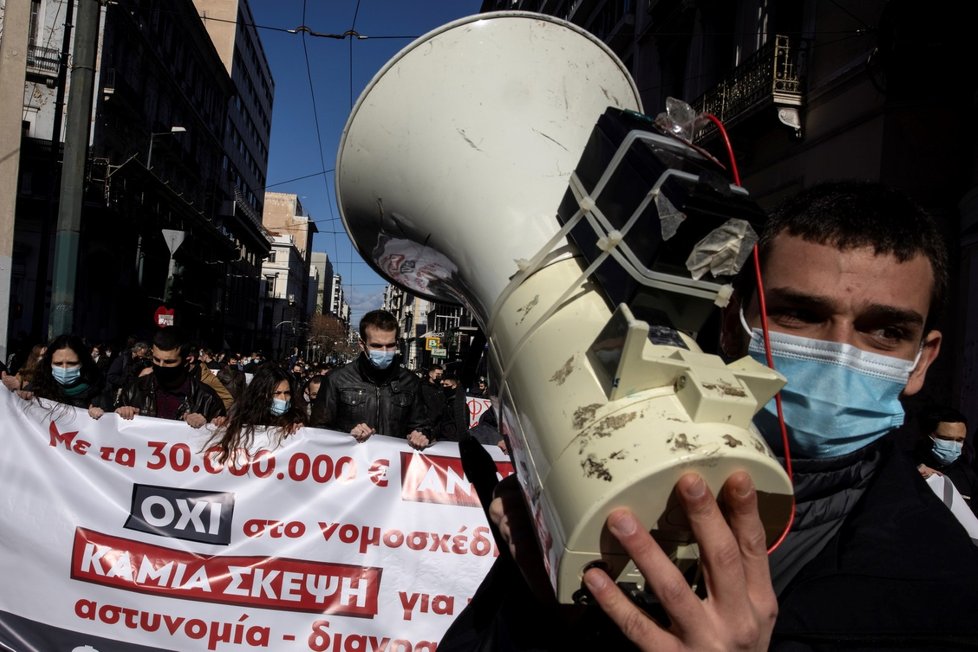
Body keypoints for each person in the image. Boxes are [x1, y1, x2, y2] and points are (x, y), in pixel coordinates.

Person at [439, 180, 978, 650]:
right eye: (799, 314)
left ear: (921, 360)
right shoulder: (603, 480)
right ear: (730, 325)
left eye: (885, 331)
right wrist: (544, 620)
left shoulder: (946, 595)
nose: (839, 353)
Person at [310, 309, 431, 449]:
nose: (384, 351)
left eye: (390, 345)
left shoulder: (410, 381)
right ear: (362, 344)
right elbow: (318, 429)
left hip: (393, 466)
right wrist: (349, 435)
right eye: (377, 346)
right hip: (351, 464)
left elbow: (422, 425)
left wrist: (420, 435)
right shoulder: (336, 379)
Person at [115, 326, 226, 428]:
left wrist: (208, 426)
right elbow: (114, 433)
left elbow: (221, 437)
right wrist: (121, 414)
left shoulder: (207, 398)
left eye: (169, 362)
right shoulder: (134, 390)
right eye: (156, 360)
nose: (161, 366)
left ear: (187, 361)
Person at [204, 362, 306, 465]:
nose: (283, 399)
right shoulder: (241, 416)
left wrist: (301, 431)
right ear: (262, 394)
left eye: (287, 393)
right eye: (277, 393)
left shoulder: (297, 418)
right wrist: (218, 423)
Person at [914, 406, 977, 515]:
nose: (953, 445)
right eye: (945, 439)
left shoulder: (968, 476)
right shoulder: (904, 464)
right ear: (927, 436)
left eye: (959, 440)